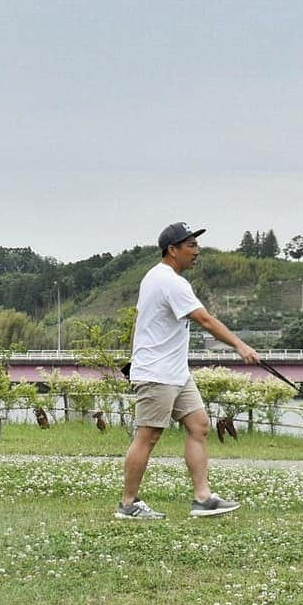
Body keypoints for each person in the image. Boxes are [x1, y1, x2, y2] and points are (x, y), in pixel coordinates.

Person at [116, 222, 261, 520]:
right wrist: (240, 346)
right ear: (173, 250)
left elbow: (141, 323)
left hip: (175, 372)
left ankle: (203, 498)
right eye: (191, 245)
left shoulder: (155, 278)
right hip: (157, 372)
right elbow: (205, 320)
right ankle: (128, 504)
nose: (197, 251)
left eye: (196, 245)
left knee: (199, 425)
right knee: (148, 436)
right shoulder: (170, 281)